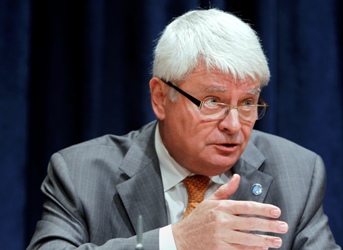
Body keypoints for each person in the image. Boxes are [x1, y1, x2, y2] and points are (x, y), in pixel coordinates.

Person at [27, 8, 340, 250]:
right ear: (161, 98)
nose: (234, 126)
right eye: (213, 101)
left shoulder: (299, 172)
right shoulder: (81, 173)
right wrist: (175, 241)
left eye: (247, 103)